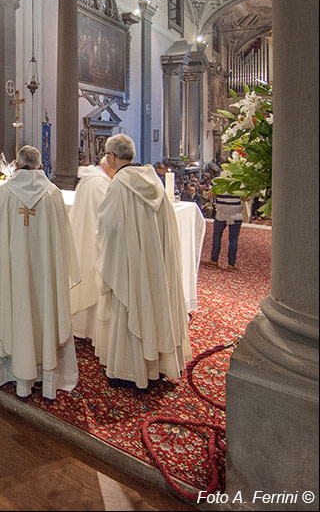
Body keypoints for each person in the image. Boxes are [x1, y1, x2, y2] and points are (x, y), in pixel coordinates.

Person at [0, 145, 80, 399]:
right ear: (40, 165)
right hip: (46, 275)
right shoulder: (53, 194)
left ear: (17, 164)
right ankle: (47, 380)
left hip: (13, 274)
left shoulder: (4, 194)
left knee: (14, 310)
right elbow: (63, 241)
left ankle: (12, 374)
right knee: (45, 313)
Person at [96, 134, 190, 389]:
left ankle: (129, 370)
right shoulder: (154, 182)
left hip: (132, 265)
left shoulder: (119, 186)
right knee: (156, 305)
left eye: (106, 154)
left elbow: (109, 229)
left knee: (131, 309)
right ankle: (157, 364)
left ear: (113, 157)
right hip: (155, 263)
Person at [68, 155, 117, 347]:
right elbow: (107, 217)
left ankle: (79, 327)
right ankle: (85, 329)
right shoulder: (99, 184)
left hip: (82, 236)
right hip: (93, 240)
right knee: (91, 283)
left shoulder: (90, 180)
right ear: (109, 167)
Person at [203, 192, 243, 271]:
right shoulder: (241, 182)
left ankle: (214, 260)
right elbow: (247, 197)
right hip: (236, 214)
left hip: (221, 214)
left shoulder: (219, 180)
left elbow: (210, 194)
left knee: (217, 237)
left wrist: (220, 195)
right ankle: (231, 264)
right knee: (233, 239)